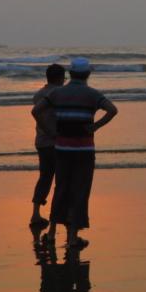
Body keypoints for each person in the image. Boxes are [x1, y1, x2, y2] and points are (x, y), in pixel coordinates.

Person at [32, 57, 118, 249]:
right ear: (88, 74)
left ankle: (52, 233)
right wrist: (95, 126)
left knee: (60, 188)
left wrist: (49, 132)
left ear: (70, 74)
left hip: (62, 147)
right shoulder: (92, 94)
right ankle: (72, 237)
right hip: (84, 149)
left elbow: (36, 111)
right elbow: (112, 110)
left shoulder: (57, 92)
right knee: (80, 191)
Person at [29, 64, 66, 227]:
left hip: (41, 142)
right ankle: (58, 215)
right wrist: (52, 132)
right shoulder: (58, 93)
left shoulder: (39, 93)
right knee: (62, 179)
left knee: (45, 177)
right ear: (59, 79)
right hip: (54, 141)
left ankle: (36, 213)